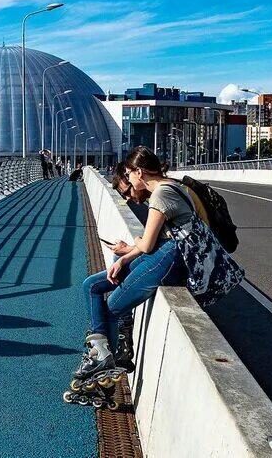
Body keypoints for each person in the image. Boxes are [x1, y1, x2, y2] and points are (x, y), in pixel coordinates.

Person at [73, 146, 188, 388]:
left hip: (168, 259)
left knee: (113, 306)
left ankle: (105, 360)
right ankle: (101, 352)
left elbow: (146, 244)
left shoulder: (161, 194)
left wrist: (131, 248)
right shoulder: (171, 188)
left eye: (129, 173)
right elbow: (152, 241)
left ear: (139, 172)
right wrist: (124, 259)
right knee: (91, 285)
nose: (129, 178)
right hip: (164, 254)